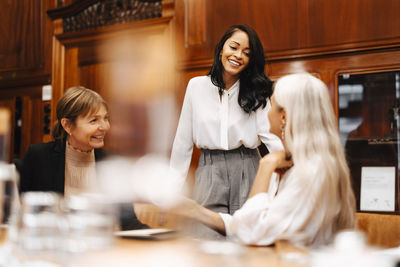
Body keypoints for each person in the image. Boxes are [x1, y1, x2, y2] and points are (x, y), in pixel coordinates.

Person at [172, 73, 356, 247]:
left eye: (271, 105)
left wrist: (265, 166)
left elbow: (252, 231)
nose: (266, 113)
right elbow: (253, 223)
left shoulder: (310, 171)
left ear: (283, 116)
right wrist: (196, 211)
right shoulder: (303, 165)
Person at [170, 24, 283, 238]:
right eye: (234, 47)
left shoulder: (257, 91)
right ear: (221, 49)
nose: (238, 55)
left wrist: (290, 171)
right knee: (205, 239)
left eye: (247, 53)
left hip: (248, 166)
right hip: (209, 170)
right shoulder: (196, 86)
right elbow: (182, 142)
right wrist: (172, 192)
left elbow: (272, 139)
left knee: (247, 238)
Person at [16, 86, 147, 230]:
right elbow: (18, 213)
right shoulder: (39, 157)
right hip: (51, 246)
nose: (104, 127)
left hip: (101, 246)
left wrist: (158, 240)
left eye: (105, 118)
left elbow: (129, 223)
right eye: (94, 120)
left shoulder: (112, 163)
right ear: (67, 126)